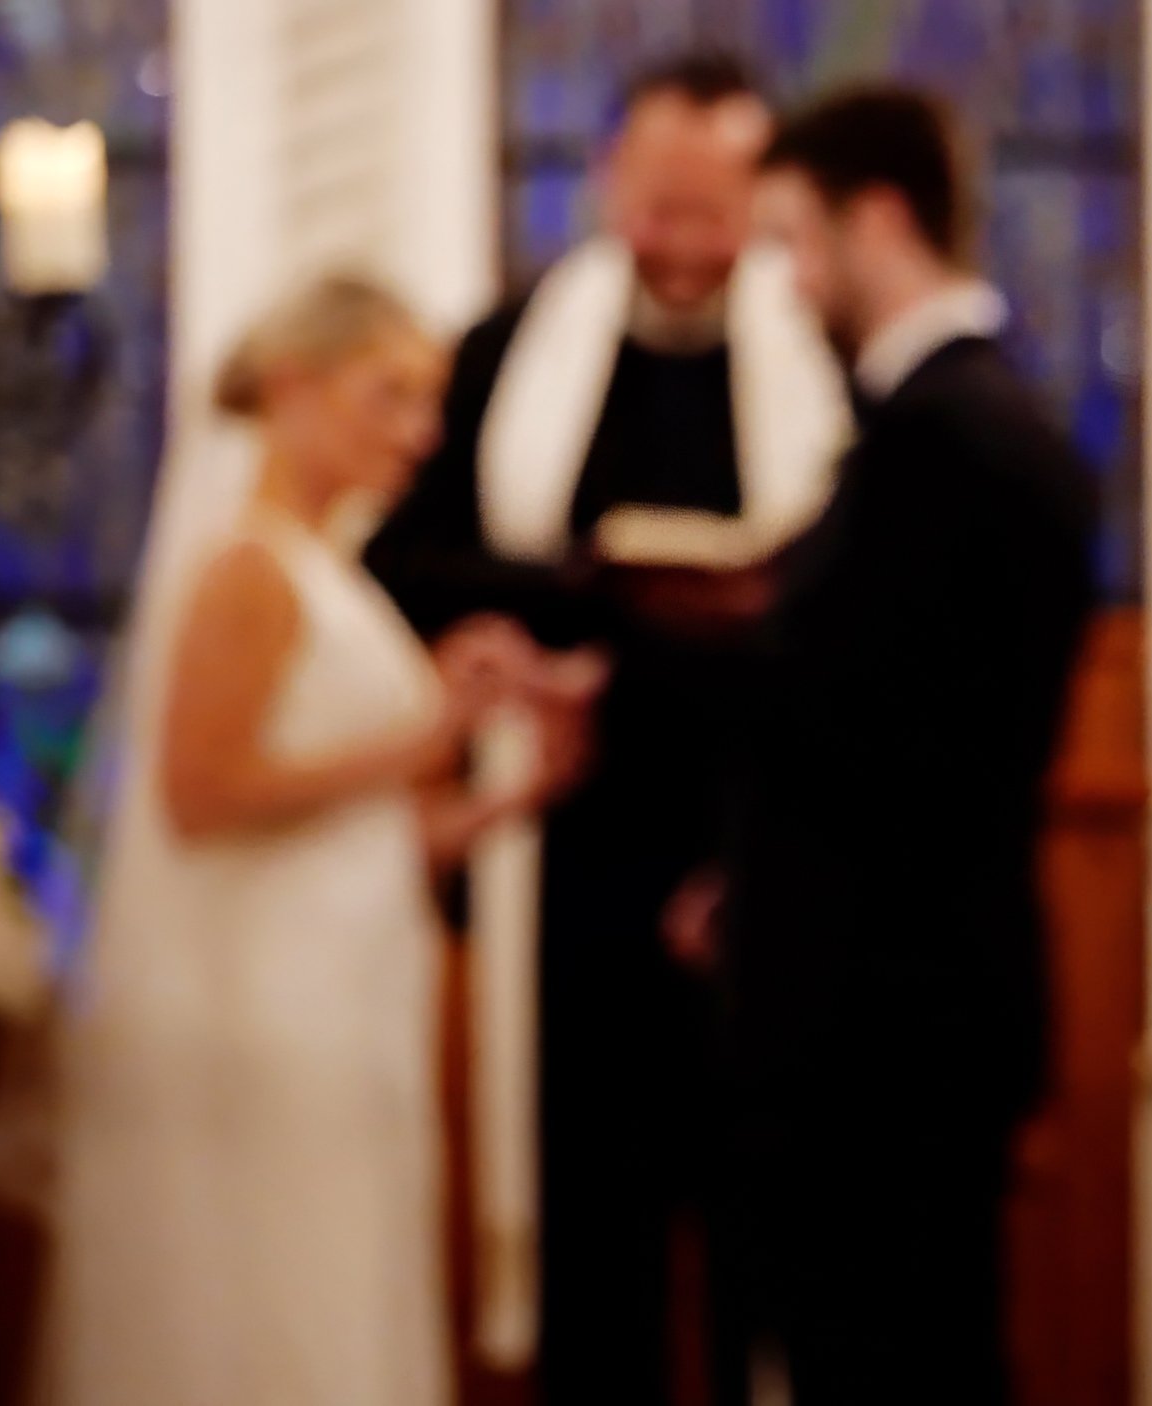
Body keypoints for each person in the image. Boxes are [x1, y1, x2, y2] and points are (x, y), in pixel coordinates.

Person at [364, 50, 848, 1404]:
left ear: (763, 204)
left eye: (714, 213)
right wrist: (571, 591)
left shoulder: (824, 351)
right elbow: (406, 556)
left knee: (769, 1225)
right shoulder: (512, 345)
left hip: (759, 842)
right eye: (657, 208)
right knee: (596, 1231)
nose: (684, 247)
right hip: (569, 850)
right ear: (606, 188)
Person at [38, 274, 601, 1406]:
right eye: (387, 395)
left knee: (350, 1282)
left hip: (345, 990)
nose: (421, 433)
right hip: (266, 1009)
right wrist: (430, 729)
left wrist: (505, 795)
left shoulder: (324, 568)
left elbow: (357, 834)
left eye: (428, 402)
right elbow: (199, 794)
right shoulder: (247, 566)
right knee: (281, 1300)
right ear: (294, 388)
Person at [713, 86, 1098, 1405]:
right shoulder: (959, 424)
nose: (780, 282)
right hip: (902, 1010)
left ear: (874, 220)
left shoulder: (949, 437)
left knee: (893, 1366)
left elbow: (872, 734)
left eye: (789, 240)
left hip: (882, 1031)